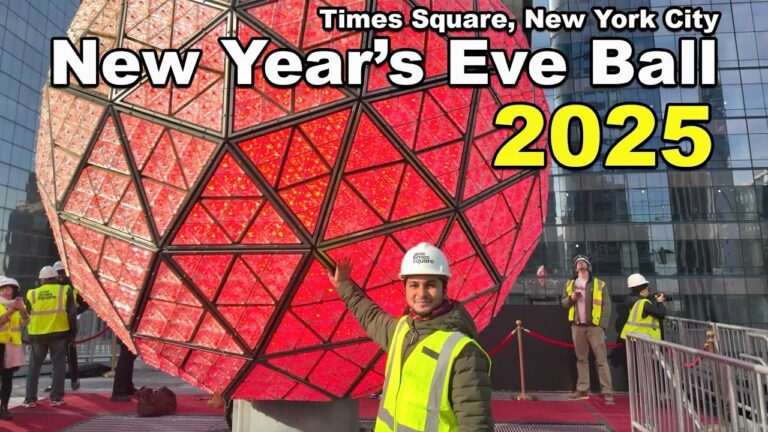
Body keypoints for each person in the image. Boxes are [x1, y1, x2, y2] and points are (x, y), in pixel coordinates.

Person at [328, 242, 493, 431]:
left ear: (444, 288)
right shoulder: (402, 331)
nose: (421, 293)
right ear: (405, 288)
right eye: (414, 285)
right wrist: (343, 285)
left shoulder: (463, 352)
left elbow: (476, 424)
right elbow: (371, 316)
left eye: (430, 285)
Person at [561, 254, 614, 404]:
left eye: (583, 262)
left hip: (594, 327)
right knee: (581, 359)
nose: (580, 264)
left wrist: (602, 326)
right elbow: (563, 303)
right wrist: (571, 298)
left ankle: (607, 392)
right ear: (575, 267)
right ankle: (582, 389)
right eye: (578, 262)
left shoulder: (599, 284)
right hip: (577, 327)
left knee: (601, 360)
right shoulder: (570, 284)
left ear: (588, 266)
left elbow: (607, 305)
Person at [22, 266, 76, 408]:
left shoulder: (32, 293)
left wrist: (26, 335)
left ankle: (30, 399)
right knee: (58, 366)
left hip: (37, 335)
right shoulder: (64, 290)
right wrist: (73, 333)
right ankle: (56, 398)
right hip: (59, 333)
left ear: (41, 280)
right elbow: (72, 314)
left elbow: (26, 314)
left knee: (34, 367)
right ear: (56, 278)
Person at [51, 260, 87, 391]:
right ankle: (54, 382)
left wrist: (73, 313)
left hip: (69, 325)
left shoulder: (73, 287)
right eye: (58, 272)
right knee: (55, 355)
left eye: (63, 272)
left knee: (71, 353)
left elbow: (85, 304)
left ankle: (74, 379)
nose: (60, 275)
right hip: (53, 324)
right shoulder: (51, 287)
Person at [0, 277, 28, 420]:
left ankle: (4, 407)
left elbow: (26, 322)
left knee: (8, 379)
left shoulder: (17, 304)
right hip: (0, 345)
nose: (6, 292)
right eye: (3, 289)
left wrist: (22, 310)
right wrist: (11, 311)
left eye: (9, 289)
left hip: (11, 347)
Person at [620, 273, 667, 340]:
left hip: (633, 337)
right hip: (644, 339)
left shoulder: (632, 300)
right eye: (648, 289)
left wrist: (654, 297)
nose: (648, 291)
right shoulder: (644, 303)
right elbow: (661, 314)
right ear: (642, 290)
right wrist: (660, 302)